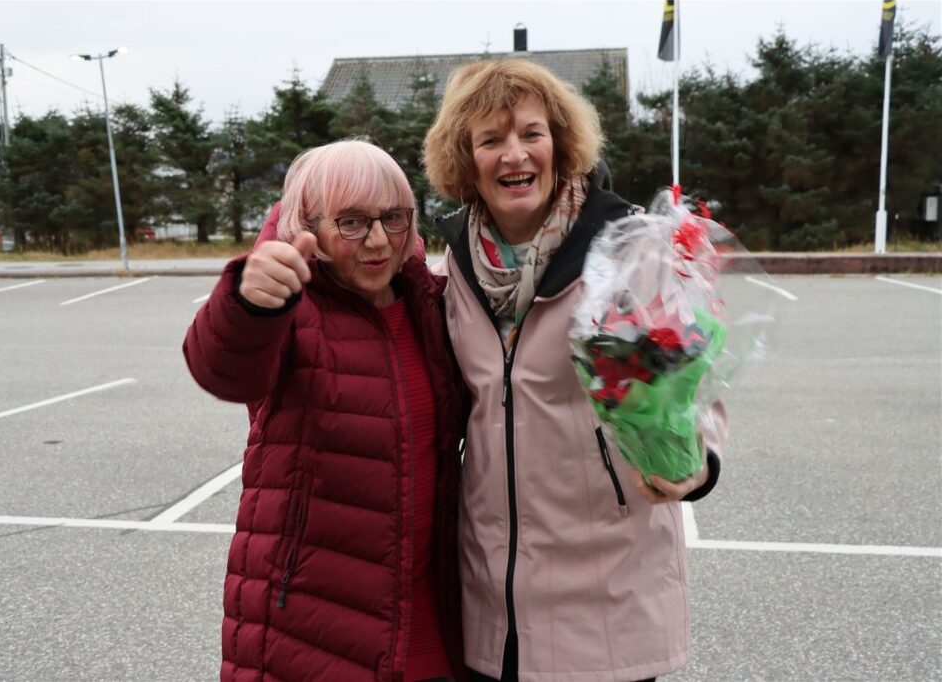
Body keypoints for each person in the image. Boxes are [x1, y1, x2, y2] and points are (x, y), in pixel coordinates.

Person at [422, 59, 728, 682]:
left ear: (560, 144)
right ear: (465, 158)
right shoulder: (455, 265)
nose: (515, 155)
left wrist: (700, 462)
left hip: (606, 590)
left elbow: (692, 380)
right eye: (491, 140)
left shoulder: (628, 247)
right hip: (491, 595)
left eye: (531, 133)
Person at [184, 139, 465, 682]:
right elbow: (223, 366)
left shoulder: (430, 305)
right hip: (311, 632)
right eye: (353, 223)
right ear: (308, 226)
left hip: (431, 632)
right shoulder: (295, 308)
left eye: (393, 218)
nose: (379, 240)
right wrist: (248, 299)